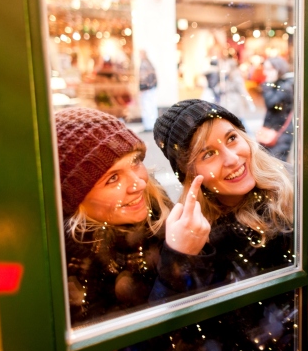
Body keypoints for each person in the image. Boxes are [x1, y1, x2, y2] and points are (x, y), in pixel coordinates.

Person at [151, 99, 308, 351]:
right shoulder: (192, 235)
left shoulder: (303, 194)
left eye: (232, 138)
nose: (232, 159)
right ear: (189, 173)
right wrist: (178, 256)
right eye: (208, 154)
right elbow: (175, 333)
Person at [55, 107, 204, 331]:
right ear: (75, 197)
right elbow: (135, 343)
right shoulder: (75, 266)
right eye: (112, 178)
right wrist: (177, 259)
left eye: (135, 161)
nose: (140, 183)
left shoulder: (155, 202)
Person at [260, 56, 295, 161]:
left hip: (281, 132)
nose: (265, 73)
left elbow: (271, 103)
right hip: (273, 130)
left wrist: (268, 84)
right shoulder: (279, 84)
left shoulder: (286, 86)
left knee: (276, 164)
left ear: (278, 69)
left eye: (268, 69)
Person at [138, 50, 158, 131]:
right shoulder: (149, 63)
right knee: (151, 106)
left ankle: (148, 125)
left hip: (147, 89)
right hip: (151, 88)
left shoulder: (144, 64)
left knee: (147, 107)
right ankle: (152, 124)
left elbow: (143, 77)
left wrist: (142, 88)